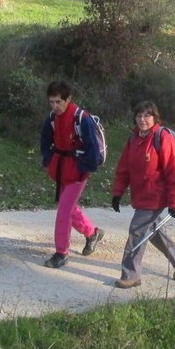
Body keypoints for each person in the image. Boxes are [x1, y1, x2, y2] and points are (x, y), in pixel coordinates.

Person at [110, 101, 175, 289]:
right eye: (139, 115)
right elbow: (124, 169)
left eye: (147, 115)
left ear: (155, 117)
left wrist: (174, 201)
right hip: (141, 195)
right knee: (152, 232)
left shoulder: (162, 138)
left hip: (156, 196)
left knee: (137, 231)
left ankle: (130, 274)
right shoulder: (134, 139)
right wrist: (117, 193)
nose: (142, 119)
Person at [40, 80, 104, 268]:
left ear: (69, 99)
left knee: (64, 211)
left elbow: (92, 148)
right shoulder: (52, 118)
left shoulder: (82, 119)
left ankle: (61, 253)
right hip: (61, 169)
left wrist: (83, 169)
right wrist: (48, 161)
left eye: (59, 102)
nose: (55, 106)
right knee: (68, 208)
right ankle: (92, 233)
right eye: (51, 102)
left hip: (77, 171)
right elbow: (45, 142)